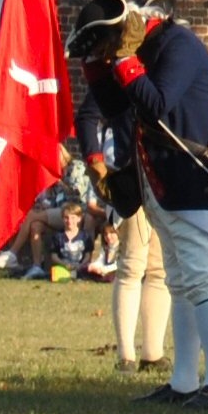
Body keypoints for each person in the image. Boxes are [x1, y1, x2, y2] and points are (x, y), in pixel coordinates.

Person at [72, 0, 208, 410]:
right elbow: (117, 108)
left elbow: (156, 104)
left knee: (202, 280)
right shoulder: (144, 50)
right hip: (163, 182)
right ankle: (184, 380)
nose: (108, 53)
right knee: (180, 283)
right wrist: (98, 67)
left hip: (194, 178)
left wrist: (125, 60)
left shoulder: (178, 45)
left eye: (105, 45)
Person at [72, 88, 167, 375]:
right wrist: (96, 164)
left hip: (164, 176)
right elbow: (87, 117)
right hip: (129, 175)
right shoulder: (115, 74)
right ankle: (126, 354)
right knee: (131, 266)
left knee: (159, 269)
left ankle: (153, 353)